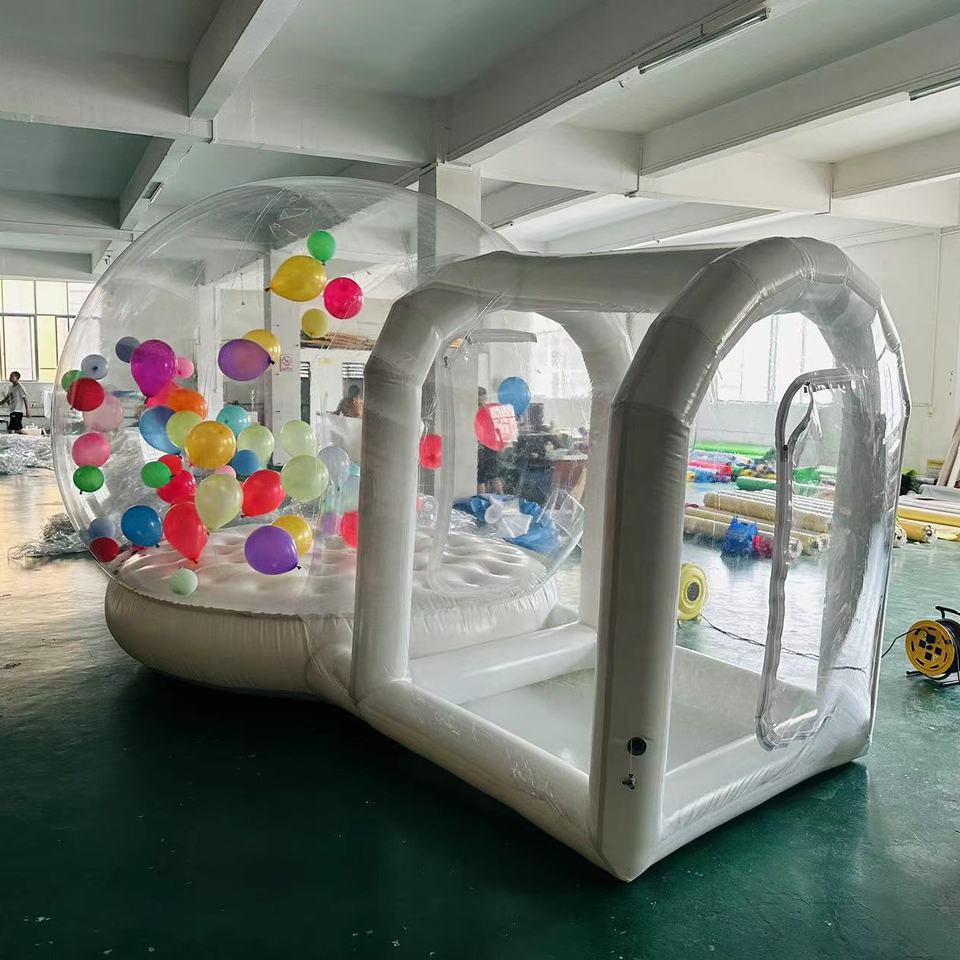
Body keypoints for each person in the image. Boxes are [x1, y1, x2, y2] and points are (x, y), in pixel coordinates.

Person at [477, 387, 504, 494]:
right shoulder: (490, 410)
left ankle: (482, 499)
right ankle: (500, 497)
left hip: (485, 448)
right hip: (490, 447)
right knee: (491, 477)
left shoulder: (480, 412)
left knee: (481, 478)